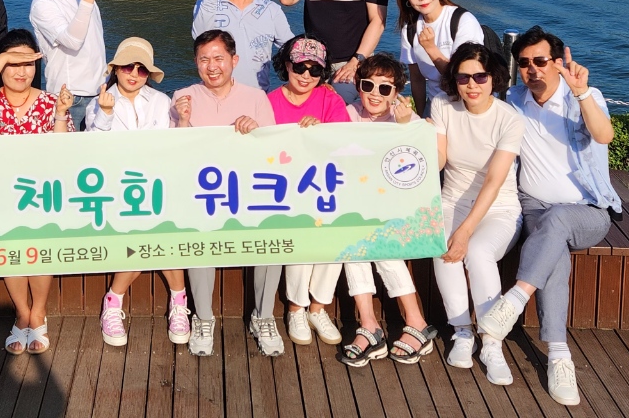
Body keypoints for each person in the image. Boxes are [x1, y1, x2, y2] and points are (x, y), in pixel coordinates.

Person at [477, 28, 620, 408]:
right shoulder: (514, 100)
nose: (532, 70)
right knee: (553, 248)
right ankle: (559, 356)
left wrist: (582, 93)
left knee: (557, 222)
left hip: (588, 211)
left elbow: (604, 135)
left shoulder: (582, 99)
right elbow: (471, 99)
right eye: (524, 63)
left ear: (558, 63)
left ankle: (515, 300)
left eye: (541, 61)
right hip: (533, 207)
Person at [172, 30, 283, 357]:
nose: (212, 66)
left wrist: (257, 133)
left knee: (271, 237)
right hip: (202, 196)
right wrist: (183, 120)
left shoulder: (256, 97)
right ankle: (204, 318)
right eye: (204, 59)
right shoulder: (183, 97)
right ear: (195, 63)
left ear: (234, 61)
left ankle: (263, 317)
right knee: (199, 238)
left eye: (219, 58)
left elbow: (274, 154)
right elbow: (173, 155)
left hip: (249, 192)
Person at [0, 28, 74, 355]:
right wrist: (2, 58)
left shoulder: (50, 102)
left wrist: (59, 115)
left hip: (41, 194)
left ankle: (38, 312)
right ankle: (22, 314)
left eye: (27, 63)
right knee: (11, 251)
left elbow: (62, 151)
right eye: (13, 63)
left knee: (39, 249)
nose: (21, 70)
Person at [84, 38, 190, 347]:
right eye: (128, 66)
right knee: (151, 229)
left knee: (162, 225)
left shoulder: (160, 101)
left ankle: (115, 300)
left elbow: (176, 147)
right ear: (115, 69)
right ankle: (176, 300)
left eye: (142, 69)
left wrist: (183, 120)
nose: (134, 73)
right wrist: (104, 113)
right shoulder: (98, 100)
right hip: (115, 187)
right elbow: (91, 151)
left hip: (155, 184)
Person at [431, 43, 524, 386]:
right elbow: (439, 161)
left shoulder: (509, 119)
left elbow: (495, 182)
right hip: (451, 199)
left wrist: (466, 230)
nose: (472, 84)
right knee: (442, 245)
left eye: (480, 76)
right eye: (463, 77)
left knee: (478, 252)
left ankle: (491, 341)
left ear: (494, 78)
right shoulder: (443, 105)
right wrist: (416, 133)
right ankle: (462, 331)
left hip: (499, 207)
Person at [338, 54, 437, 367]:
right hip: (356, 207)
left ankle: (414, 321)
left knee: (382, 245)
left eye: (385, 88)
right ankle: (369, 323)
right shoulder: (347, 114)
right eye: (368, 85)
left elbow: (426, 156)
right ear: (358, 85)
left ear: (397, 92)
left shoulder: (405, 118)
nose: (374, 94)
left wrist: (409, 126)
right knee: (352, 243)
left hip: (396, 209)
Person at [264, 36, 348, 346]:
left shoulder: (331, 100)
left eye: (315, 70)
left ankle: (318, 307)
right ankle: (296, 308)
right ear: (287, 65)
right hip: (284, 190)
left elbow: (343, 145)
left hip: (325, 187)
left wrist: (322, 133)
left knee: (336, 233)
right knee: (299, 236)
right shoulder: (269, 102)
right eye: (300, 66)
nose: (306, 75)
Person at [29, 0, 106, 131]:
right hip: (72, 97)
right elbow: (72, 41)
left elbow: (95, 39)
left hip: (100, 91)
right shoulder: (43, 3)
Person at [397, 0, 484, 113]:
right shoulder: (410, 29)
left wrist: (430, 48)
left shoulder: (462, 21)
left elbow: (463, 76)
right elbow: (416, 78)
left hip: (468, 104)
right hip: (436, 104)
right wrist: (420, 115)